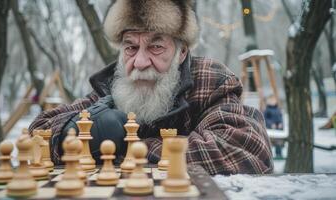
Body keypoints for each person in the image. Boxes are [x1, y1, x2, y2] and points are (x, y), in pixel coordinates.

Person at [29, 0, 273, 175]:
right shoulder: (113, 86)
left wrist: (126, 147)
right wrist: (73, 133)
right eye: (130, 47)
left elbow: (245, 149)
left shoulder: (209, 79)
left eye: (156, 47)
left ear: (181, 52)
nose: (141, 62)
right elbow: (38, 134)